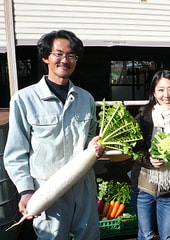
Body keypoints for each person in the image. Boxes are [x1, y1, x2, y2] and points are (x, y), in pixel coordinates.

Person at [4, 30, 105, 240]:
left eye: (71, 55)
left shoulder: (85, 99)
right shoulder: (24, 100)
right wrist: (25, 191)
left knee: (90, 236)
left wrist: (94, 146)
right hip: (47, 190)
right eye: (58, 54)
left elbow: (90, 137)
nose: (65, 60)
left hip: (83, 188)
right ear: (45, 57)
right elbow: (15, 154)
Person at [130, 69, 170, 240]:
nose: (166, 94)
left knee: (168, 235)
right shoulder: (143, 117)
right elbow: (135, 149)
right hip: (143, 186)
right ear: (153, 92)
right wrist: (148, 160)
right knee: (146, 234)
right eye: (160, 89)